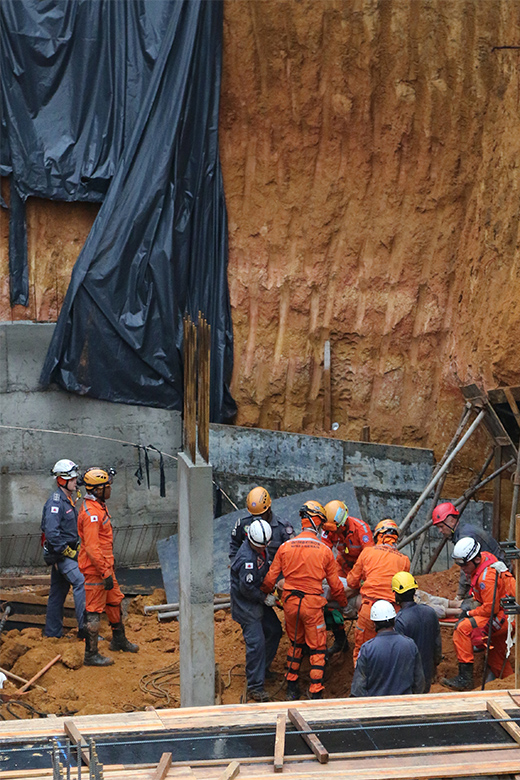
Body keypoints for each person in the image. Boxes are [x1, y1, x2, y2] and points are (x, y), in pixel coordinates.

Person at [261, 500, 347, 700]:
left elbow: (270, 578)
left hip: (290, 605)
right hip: (312, 606)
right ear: (318, 522)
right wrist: (342, 604)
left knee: (296, 644)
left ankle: (292, 687)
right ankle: (315, 691)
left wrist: (264, 593)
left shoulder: (285, 547)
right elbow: (335, 585)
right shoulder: (324, 551)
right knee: (317, 648)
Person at [77, 467, 138, 666]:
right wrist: (104, 573)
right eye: (107, 486)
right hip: (96, 570)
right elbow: (93, 549)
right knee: (94, 611)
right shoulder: (91, 514)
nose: (110, 490)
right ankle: (91, 654)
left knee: (114, 601)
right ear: (96, 489)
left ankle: (118, 639)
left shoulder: (98, 506)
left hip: (105, 568)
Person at [442, 537, 516, 691]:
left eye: (464, 565)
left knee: (462, 628)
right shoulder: (484, 558)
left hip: (505, 616)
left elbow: (490, 610)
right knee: (497, 659)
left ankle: (465, 678)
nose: (462, 568)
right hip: (507, 612)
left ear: (475, 559)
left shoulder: (486, 579)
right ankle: (512, 685)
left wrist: (469, 612)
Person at [230, 518, 283, 702]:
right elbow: (246, 589)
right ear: (251, 541)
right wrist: (265, 598)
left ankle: (263, 668)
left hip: (258, 600)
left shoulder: (260, 548)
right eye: (260, 547)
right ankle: (255, 686)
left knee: (275, 631)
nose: (263, 550)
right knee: (257, 644)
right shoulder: (247, 560)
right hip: (247, 606)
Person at [346, 518, 410, 664]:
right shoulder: (404, 560)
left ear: (378, 536)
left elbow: (351, 582)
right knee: (390, 654)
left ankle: (363, 685)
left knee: (362, 654)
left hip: (370, 609)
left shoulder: (367, 552)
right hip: (393, 612)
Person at [321, 500, 373, 655]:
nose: (334, 533)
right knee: (331, 603)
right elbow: (323, 551)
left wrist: (360, 582)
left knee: (359, 599)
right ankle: (340, 640)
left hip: (361, 571)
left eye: (337, 529)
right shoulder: (329, 528)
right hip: (341, 569)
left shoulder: (362, 530)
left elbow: (369, 560)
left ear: (343, 523)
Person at [41, 459, 86, 638]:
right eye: (73, 479)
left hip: (66, 552)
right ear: (62, 480)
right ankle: (85, 631)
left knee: (57, 593)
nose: (76, 481)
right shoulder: (56, 503)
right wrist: (69, 553)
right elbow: (52, 534)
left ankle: (52, 634)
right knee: (81, 582)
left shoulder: (68, 499)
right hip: (61, 554)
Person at [432, 502, 507, 598]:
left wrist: (460, 595)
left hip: (498, 573)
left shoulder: (465, 537)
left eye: (441, 526)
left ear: (451, 521)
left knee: (470, 606)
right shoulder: (462, 531)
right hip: (495, 566)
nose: (440, 531)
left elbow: (466, 568)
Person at [351, 600, 425, 697]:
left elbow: (358, 687)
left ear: (374, 624)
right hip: (404, 705)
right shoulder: (410, 644)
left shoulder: (367, 649)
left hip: (377, 706)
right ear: (394, 621)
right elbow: (419, 681)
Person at [392, 571, 442, 692]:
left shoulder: (400, 620)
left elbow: (400, 655)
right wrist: (435, 664)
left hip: (410, 678)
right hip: (427, 672)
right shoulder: (430, 612)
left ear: (397, 595)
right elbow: (437, 642)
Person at [229, 486, 294, 562]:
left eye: (260, 515)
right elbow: (234, 545)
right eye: (254, 515)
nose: (256, 519)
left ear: (269, 510)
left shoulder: (282, 528)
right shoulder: (244, 524)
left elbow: (292, 554)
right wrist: (237, 565)